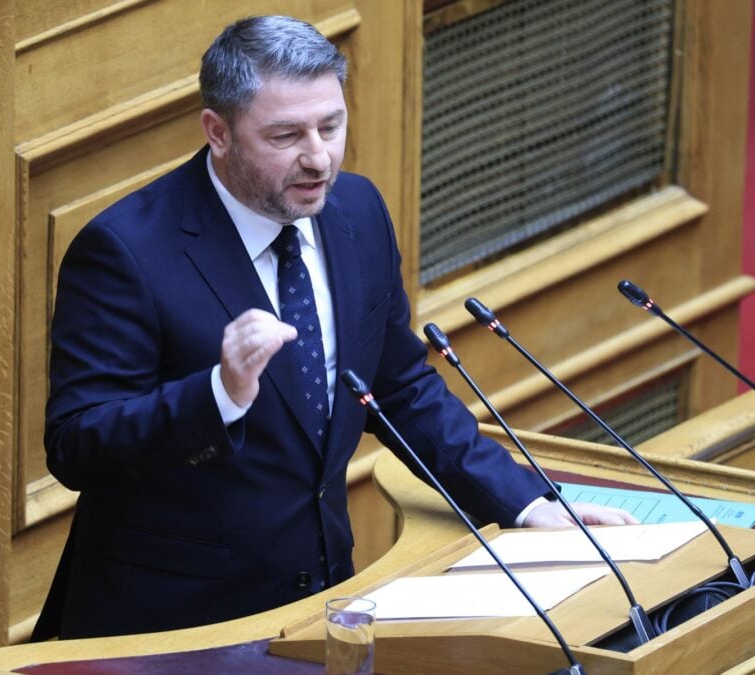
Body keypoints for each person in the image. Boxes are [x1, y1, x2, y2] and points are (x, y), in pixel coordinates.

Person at [31, 15, 635, 641]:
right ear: (218, 132)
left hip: (321, 603)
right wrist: (218, 396)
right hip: (174, 625)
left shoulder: (358, 211)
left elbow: (398, 389)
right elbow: (77, 446)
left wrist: (527, 503)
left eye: (331, 126)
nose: (318, 157)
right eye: (286, 135)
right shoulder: (127, 250)